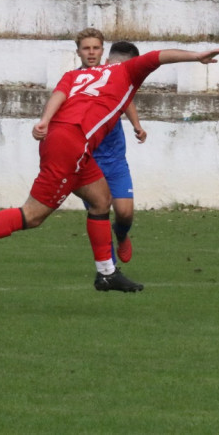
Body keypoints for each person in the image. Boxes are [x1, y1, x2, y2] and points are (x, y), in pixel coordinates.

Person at [0, 41, 219, 292]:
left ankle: (106, 274)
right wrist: (197, 56)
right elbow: (159, 56)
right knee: (33, 215)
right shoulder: (127, 70)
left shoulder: (80, 74)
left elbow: (59, 95)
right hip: (72, 144)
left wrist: (44, 120)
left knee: (101, 199)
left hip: (64, 138)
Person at [75, 28, 146, 263]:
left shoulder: (116, 80)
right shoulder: (74, 81)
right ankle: (109, 268)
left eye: (95, 48)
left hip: (115, 160)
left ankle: (122, 234)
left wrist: (137, 125)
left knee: (124, 213)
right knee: (100, 212)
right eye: (87, 48)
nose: (91, 52)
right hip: (87, 160)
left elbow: (125, 100)